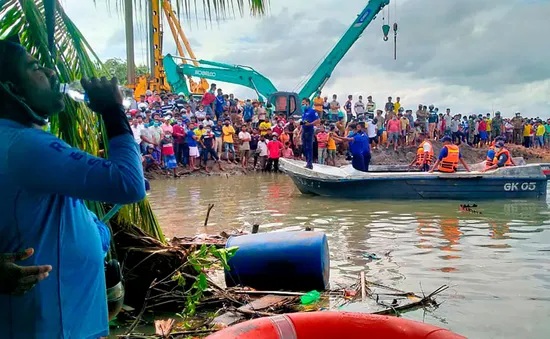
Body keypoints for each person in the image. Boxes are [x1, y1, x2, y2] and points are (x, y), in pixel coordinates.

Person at [0, 36, 145, 337]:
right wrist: (113, 112)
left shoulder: (17, 142)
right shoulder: (26, 146)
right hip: (50, 326)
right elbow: (129, 184)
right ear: (10, 88)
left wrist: (96, 234)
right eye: (35, 67)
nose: (53, 73)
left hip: (64, 320)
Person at [301, 98, 320, 169]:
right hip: (303, 130)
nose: (302, 105)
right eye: (302, 103)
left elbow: (318, 120)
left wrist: (310, 124)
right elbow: (303, 121)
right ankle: (307, 161)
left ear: (307, 103)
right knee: (304, 147)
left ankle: (310, 164)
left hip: (309, 131)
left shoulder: (312, 111)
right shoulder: (304, 112)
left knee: (309, 147)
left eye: (303, 103)